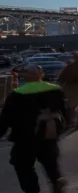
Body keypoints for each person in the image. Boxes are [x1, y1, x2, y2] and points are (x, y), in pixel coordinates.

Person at [0, 64, 68, 193]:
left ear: (25, 77)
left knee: (22, 165)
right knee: (50, 162)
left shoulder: (17, 94)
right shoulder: (56, 90)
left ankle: (32, 190)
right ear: (41, 75)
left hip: (24, 138)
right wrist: (61, 129)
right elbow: (65, 112)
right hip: (49, 134)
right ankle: (56, 181)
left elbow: (5, 119)